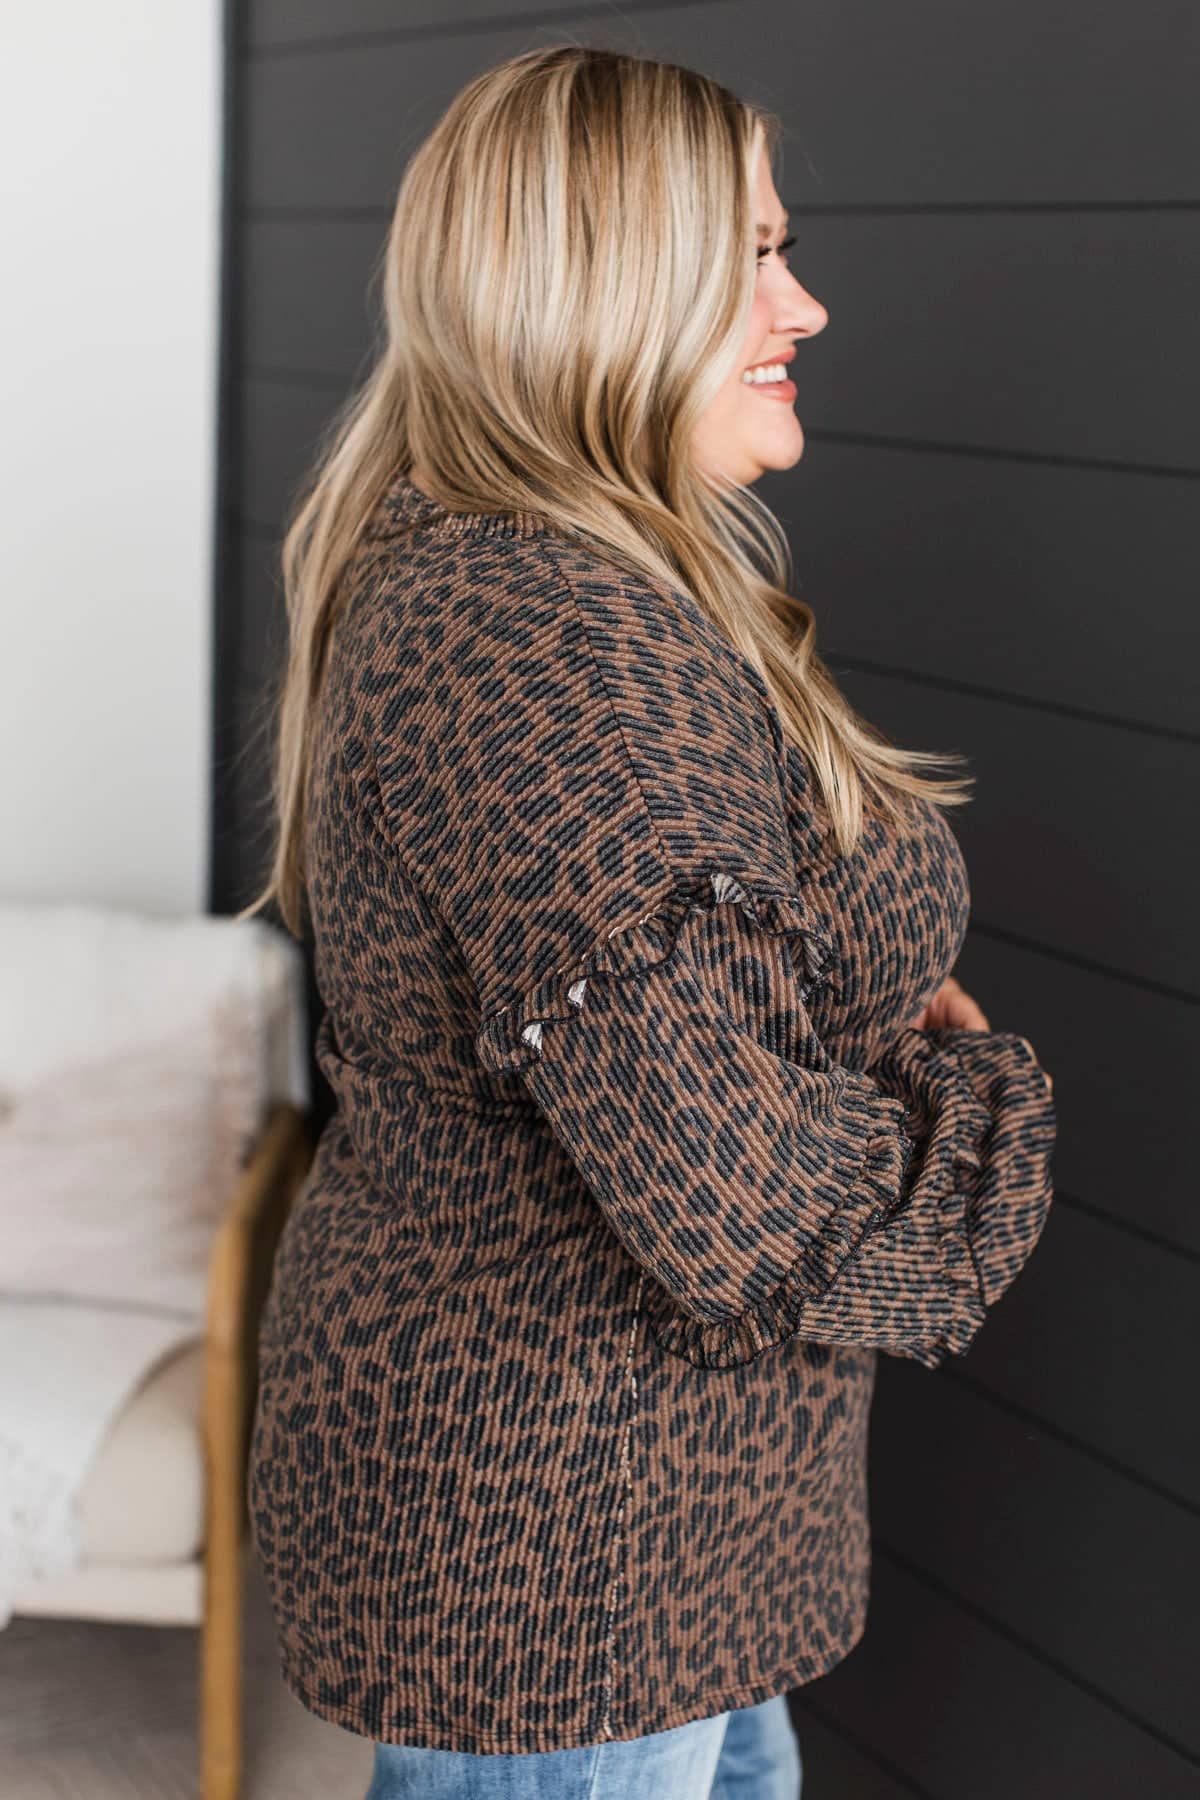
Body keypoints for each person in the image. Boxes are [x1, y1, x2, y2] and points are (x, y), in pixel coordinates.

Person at [239, 45, 1056, 1800]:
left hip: (664, 1512)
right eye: (750, 256)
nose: (803, 304)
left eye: (785, 249)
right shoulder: (554, 644)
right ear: (601, 285)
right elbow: (746, 1206)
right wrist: (978, 1112)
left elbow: (676, 1002)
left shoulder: (581, 582)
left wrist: (827, 997)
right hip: (570, 1547)